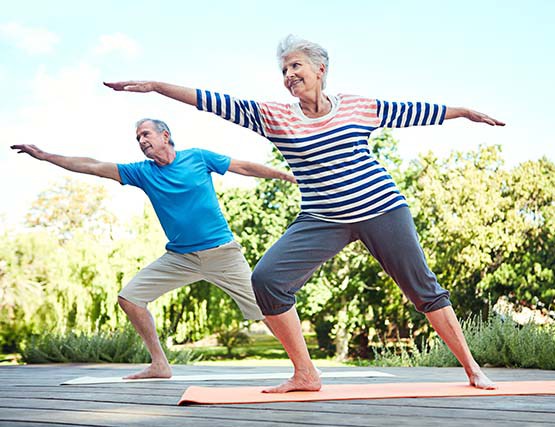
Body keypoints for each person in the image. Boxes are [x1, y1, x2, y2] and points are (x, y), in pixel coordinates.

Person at [104, 34, 506, 392]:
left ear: (320, 70)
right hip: (322, 218)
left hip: (381, 208)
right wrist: (157, 87)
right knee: (267, 280)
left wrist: (463, 111)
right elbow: (213, 102)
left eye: (296, 66)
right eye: (284, 70)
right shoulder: (276, 118)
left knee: (422, 288)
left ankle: (472, 368)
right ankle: (305, 374)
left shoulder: (358, 107)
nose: (289, 75)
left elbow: (414, 111)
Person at [11, 118, 295, 380]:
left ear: (165, 135)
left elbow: (244, 167)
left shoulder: (197, 157)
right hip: (180, 258)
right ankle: (160, 364)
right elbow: (93, 166)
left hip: (222, 255)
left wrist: (286, 176)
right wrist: (46, 156)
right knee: (130, 298)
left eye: (145, 134)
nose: (141, 140)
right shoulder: (142, 172)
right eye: (138, 138)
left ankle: (303, 367)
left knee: (267, 309)